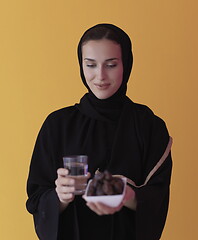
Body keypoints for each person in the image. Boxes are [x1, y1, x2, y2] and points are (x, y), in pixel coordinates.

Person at [26, 23, 173, 240]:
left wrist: (125, 195)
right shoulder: (57, 125)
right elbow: (37, 199)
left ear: (127, 64)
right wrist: (61, 196)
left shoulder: (149, 126)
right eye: (91, 65)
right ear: (80, 65)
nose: (100, 76)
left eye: (111, 65)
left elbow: (157, 199)